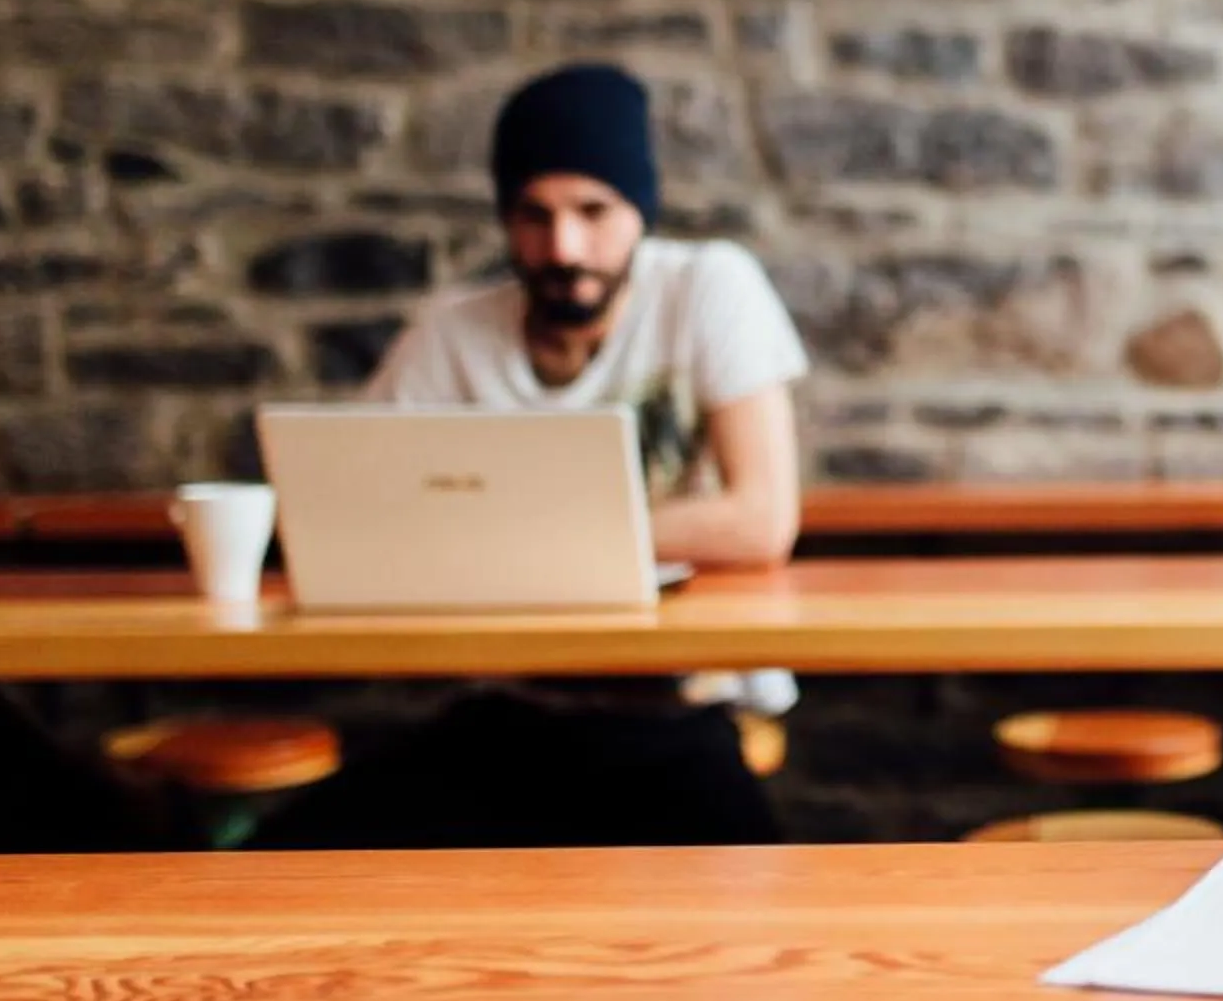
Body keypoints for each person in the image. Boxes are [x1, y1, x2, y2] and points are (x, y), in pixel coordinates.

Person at [250, 62, 809, 850]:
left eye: (593, 210)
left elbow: (761, 521)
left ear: (639, 212)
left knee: (749, 938)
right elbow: (346, 507)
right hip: (506, 711)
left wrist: (519, 541)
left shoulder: (709, 288)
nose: (564, 246)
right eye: (534, 215)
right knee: (280, 870)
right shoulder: (453, 330)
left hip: (678, 711)